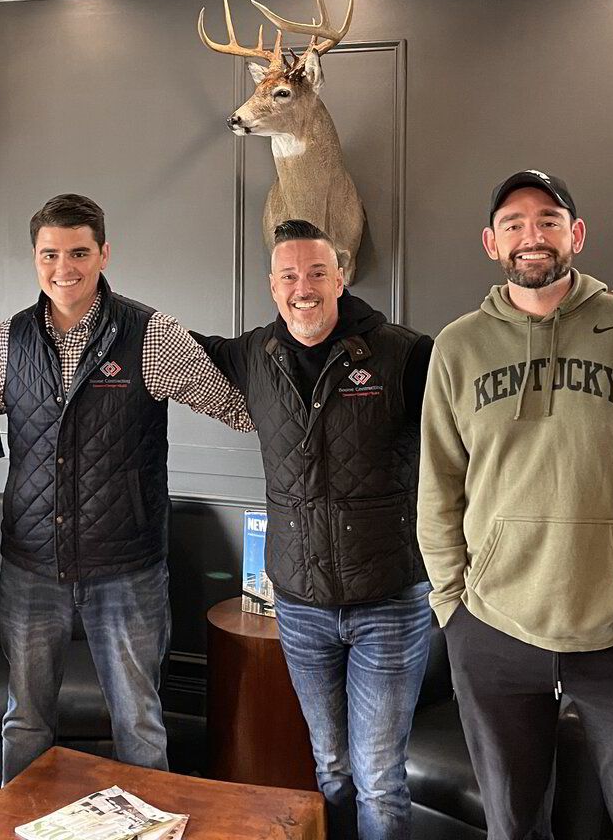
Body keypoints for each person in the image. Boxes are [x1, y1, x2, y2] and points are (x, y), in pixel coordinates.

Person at [417, 169, 613, 840]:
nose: (530, 236)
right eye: (513, 224)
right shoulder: (459, 346)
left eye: (547, 220)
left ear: (576, 234)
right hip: (494, 626)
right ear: (491, 243)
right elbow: (437, 483)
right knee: (513, 826)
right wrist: (453, 604)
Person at [0, 193, 253, 784]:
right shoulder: (12, 340)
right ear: (34, 258)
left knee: (139, 722)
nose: (64, 268)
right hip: (30, 566)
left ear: (104, 253)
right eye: (49, 254)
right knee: (25, 720)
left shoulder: (150, 335)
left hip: (126, 568)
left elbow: (235, 408)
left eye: (79, 252)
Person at [195, 218, 433, 840]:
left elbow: (480, 404)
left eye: (317, 273)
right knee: (330, 769)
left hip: (389, 602)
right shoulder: (250, 354)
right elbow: (159, 347)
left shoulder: (404, 353)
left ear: (340, 277)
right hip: (299, 609)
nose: (304, 287)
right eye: (290, 276)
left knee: (380, 777)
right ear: (273, 287)